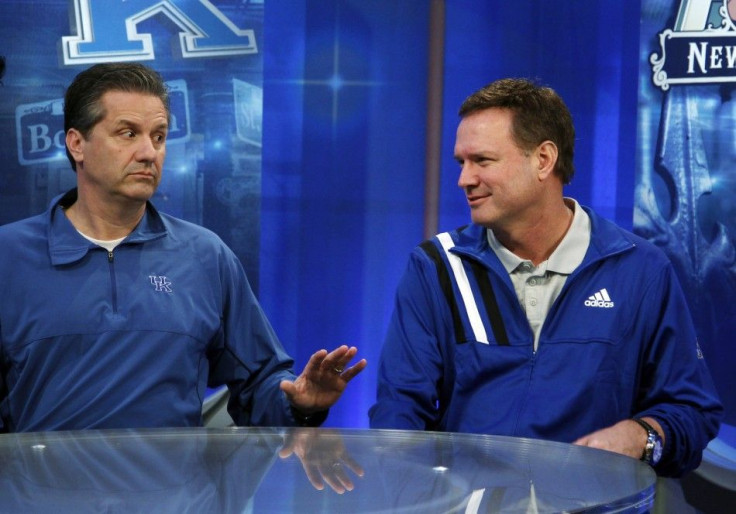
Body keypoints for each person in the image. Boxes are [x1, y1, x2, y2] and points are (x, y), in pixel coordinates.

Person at [368, 78, 722, 477]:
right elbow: (399, 410)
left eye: (482, 161)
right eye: (461, 163)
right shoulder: (437, 268)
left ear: (543, 159)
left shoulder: (639, 269)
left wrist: (640, 435)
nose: (464, 180)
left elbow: (692, 411)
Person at [0, 62, 366, 432]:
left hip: (174, 490)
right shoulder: (9, 256)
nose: (149, 152)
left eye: (158, 137)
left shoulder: (206, 257)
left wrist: (299, 404)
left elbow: (260, 384)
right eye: (127, 133)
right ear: (77, 143)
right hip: (43, 490)